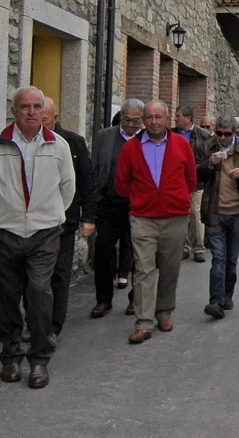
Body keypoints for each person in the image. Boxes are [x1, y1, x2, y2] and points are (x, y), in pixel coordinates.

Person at [0, 87, 75, 388]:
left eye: (37, 106)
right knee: (6, 296)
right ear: (13, 110)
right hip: (3, 232)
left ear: (44, 111)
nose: (31, 111)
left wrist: (47, 214)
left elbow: (67, 188)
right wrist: (2, 212)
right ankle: (10, 356)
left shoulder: (59, 146)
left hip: (44, 233)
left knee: (40, 292)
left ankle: (39, 360)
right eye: (25, 106)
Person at [115, 101, 197, 345]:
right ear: (143, 120)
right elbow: (121, 183)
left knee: (170, 267)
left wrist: (174, 198)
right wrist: (142, 200)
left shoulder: (181, 145)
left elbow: (191, 180)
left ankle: (164, 312)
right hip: (143, 218)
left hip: (175, 217)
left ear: (166, 117)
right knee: (144, 269)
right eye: (149, 117)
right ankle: (143, 322)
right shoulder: (131, 148)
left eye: (158, 116)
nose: (153, 121)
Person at [33, 97, 98, 344]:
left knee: (59, 275)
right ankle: (35, 323)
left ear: (55, 118)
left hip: (64, 222)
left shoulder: (72, 142)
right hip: (34, 223)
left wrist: (89, 217)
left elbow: (87, 182)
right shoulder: (28, 143)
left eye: (45, 119)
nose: (39, 123)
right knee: (35, 278)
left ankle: (53, 326)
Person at [198, 114, 239, 320]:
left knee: (231, 260)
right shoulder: (207, 147)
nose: (222, 137)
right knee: (218, 258)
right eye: (219, 133)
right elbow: (194, 174)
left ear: (235, 133)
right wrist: (209, 164)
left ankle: (228, 294)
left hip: (237, 214)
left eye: (226, 134)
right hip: (215, 212)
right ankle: (216, 301)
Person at [90, 99, 143, 319]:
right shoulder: (105, 137)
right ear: (121, 116)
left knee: (139, 254)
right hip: (109, 203)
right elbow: (95, 170)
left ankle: (135, 299)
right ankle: (103, 300)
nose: (130, 125)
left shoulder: (147, 138)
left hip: (138, 206)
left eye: (136, 121)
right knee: (102, 250)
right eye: (127, 119)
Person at [174, 106, 212, 263]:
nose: (175, 118)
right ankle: (183, 248)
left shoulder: (203, 135)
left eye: (178, 116)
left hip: (197, 182)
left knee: (196, 215)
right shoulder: (171, 134)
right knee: (180, 216)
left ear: (188, 118)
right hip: (176, 182)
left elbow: (208, 160)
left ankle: (198, 248)